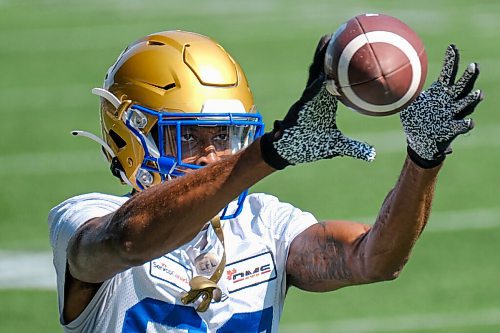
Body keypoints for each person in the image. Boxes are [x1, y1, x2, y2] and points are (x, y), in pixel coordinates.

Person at [48, 30, 483, 332]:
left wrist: (423, 160)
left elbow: (375, 259)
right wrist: (270, 153)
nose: (213, 153)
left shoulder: (265, 223)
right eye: (188, 137)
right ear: (130, 135)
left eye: (224, 134)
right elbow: (129, 240)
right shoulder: (83, 217)